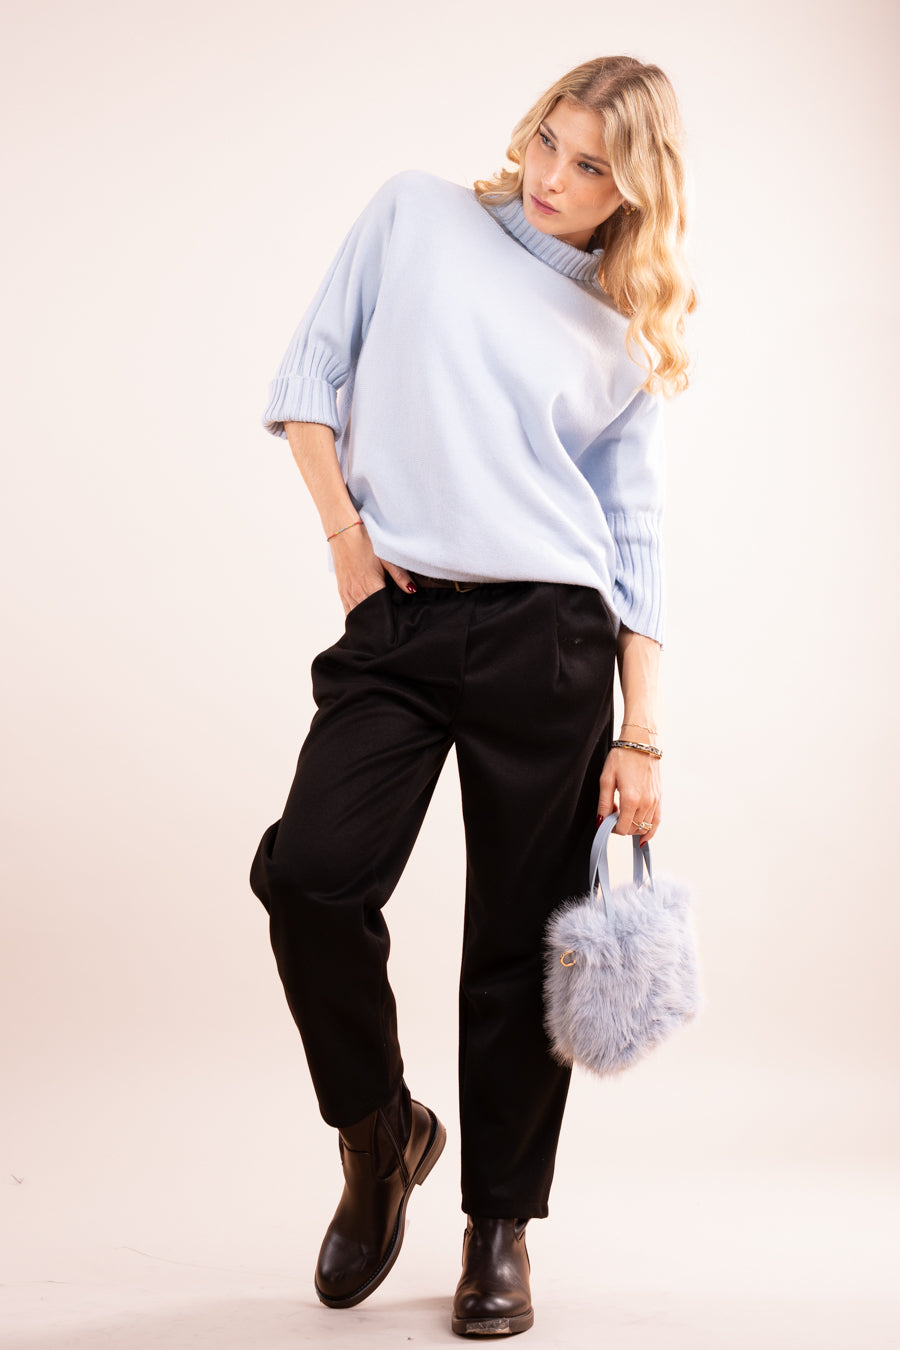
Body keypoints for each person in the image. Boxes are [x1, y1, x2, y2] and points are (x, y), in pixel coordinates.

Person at [250, 54, 696, 1338]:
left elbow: (633, 534)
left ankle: (500, 1226)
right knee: (310, 878)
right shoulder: (417, 213)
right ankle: (380, 1131)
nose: (554, 176)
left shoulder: (623, 332)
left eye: (592, 166)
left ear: (634, 190)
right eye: (551, 139)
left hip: (550, 637)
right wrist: (348, 542)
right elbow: (308, 378)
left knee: (516, 938)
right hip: (400, 617)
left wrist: (642, 733)